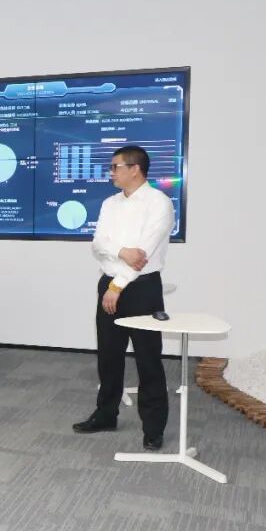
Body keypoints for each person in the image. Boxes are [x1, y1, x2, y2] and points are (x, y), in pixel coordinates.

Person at [73, 145, 175, 452]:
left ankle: (153, 428)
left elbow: (142, 255)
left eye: (115, 166)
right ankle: (106, 414)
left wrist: (117, 285)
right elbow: (98, 243)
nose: (111, 172)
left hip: (141, 289)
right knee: (108, 356)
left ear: (135, 169)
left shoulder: (159, 203)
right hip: (108, 284)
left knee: (148, 359)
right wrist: (121, 251)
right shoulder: (110, 203)